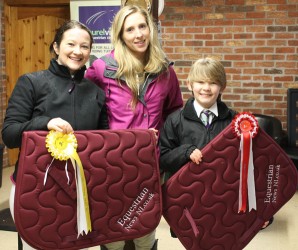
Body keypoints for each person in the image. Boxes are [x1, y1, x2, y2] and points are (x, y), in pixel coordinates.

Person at [1, 20, 108, 250]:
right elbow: (9, 134)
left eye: (85, 46)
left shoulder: (97, 93)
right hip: (33, 188)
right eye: (71, 44)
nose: (78, 52)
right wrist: (45, 123)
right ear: (57, 47)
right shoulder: (31, 83)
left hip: (80, 194)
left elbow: (103, 143)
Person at [85, 5, 183, 250]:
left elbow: (173, 112)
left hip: (151, 164)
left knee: (144, 230)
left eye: (142, 26)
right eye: (130, 29)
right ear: (120, 35)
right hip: (113, 164)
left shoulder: (165, 70)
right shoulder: (101, 68)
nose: (138, 34)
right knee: (113, 235)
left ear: (150, 29)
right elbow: (87, 106)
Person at [159, 57, 273, 237]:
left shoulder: (235, 121)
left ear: (222, 87)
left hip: (225, 202)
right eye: (200, 82)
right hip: (190, 202)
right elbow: (162, 158)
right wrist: (185, 151)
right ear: (189, 84)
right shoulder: (175, 120)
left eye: (213, 83)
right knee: (195, 241)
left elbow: (254, 168)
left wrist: (262, 212)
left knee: (223, 239)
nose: (206, 87)